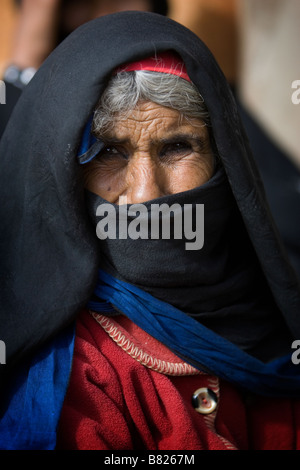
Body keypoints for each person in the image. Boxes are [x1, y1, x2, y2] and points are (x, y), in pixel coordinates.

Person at [0, 11, 300, 451]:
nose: (145, 195)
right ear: (66, 177)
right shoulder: (77, 374)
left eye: (177, 146)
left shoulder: (277, 320)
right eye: (109, 152)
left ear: (225, 161)